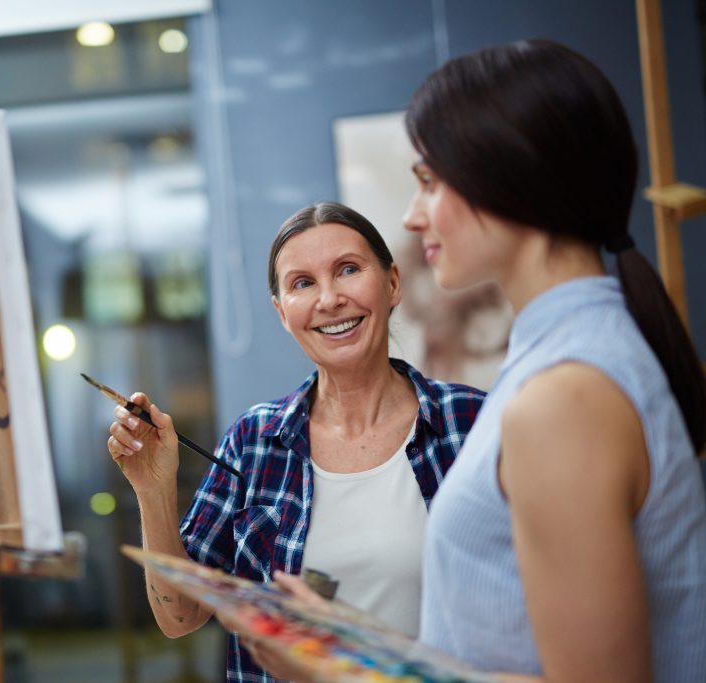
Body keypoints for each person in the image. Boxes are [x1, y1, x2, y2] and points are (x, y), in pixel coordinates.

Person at [241, 39, 706, 683]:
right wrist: (355, 641)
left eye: (430, 182)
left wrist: (346, 672)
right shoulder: (564, 359)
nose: (412, 215)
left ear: (512, 177)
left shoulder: (563, 395)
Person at [105, 201, 485, 683]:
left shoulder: (471, 423)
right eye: (302, 283)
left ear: (392, 283)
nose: (328, 300)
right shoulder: (254, 440)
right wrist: (153, 490)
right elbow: (179, 617)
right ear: (282, 311)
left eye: (347, 270)